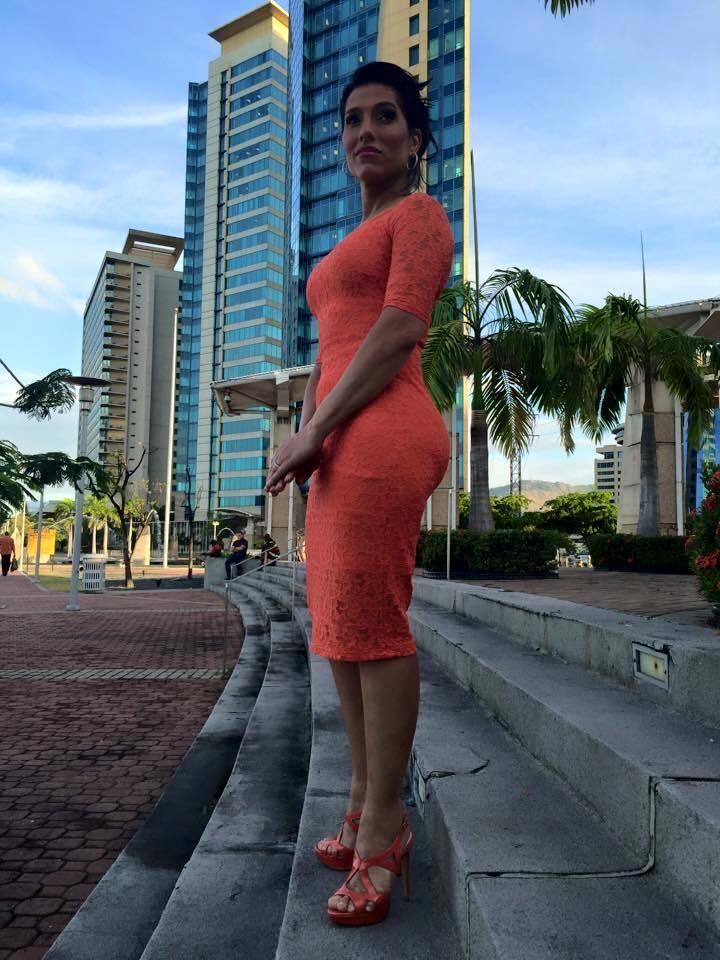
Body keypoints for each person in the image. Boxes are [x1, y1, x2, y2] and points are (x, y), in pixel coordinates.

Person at [264, 62, 453, 927]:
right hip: (337, 436)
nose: (363, 131)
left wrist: (318, 429)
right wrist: (304, 433)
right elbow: (330, 346)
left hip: (383, 429)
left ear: (416, 139)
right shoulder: (351, 236)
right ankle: (360, 797)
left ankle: (386, 826)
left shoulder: (420, 217)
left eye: (385, 117)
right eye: (350, 119)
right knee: (340, 626)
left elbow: (398, 330)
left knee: (373, 625)